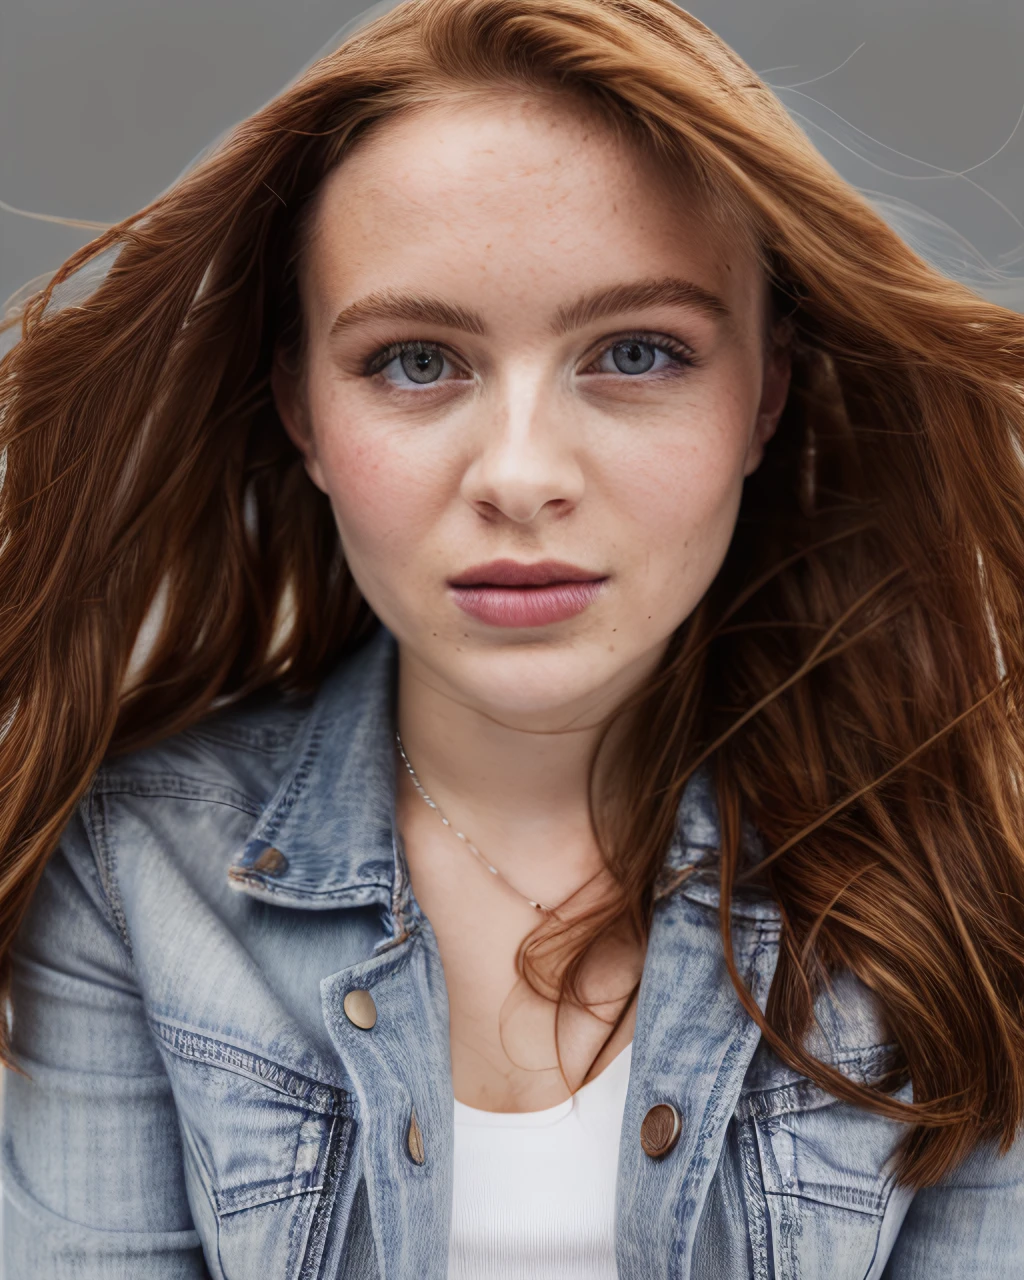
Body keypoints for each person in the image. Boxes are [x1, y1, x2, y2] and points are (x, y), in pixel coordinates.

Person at [3, 0, 1024, 1274]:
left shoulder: (969, 870)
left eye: (638, 351)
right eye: (416, 361)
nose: (523, 474)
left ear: (764, 392)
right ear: (302, 410)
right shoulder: (135, 876)